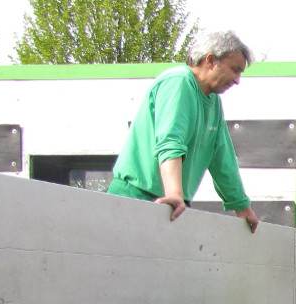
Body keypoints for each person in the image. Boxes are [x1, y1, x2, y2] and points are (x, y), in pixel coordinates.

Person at [107, 30, 260, 234]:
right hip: (137, 196)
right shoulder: (178, 82)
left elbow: (222, 157)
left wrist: (242, 206)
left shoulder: (213, 102)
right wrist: (174, 193)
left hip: (172, 204)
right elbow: (170, 140)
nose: (237, 80)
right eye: (235, 69)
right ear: (211, 60)